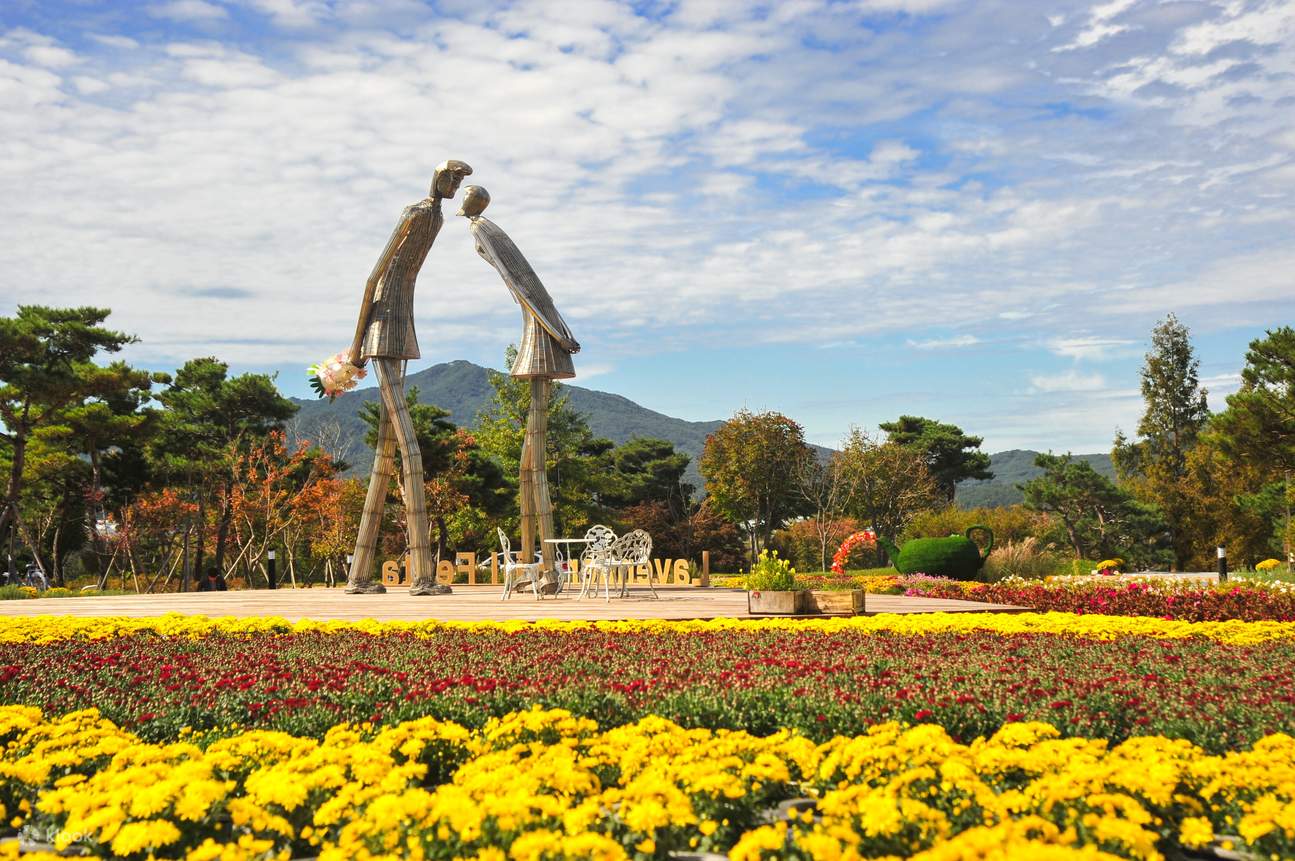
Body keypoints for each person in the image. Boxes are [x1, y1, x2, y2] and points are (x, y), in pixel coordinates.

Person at [345, 160, 473, 597]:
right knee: (410, 452)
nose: (453, 185)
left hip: (402, 324)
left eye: (459, 180)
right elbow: (373, 276)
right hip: (382, 327)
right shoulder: (417, 212)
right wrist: (356, 345)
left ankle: (358, 577)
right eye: (449, 178)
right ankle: (422, 577)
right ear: (435, 178)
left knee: (385, 455)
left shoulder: (437, 218)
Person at [458, 185, 579, 593]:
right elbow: (526, 285)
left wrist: (559, 335)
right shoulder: (488, 230)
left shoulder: (485, 230)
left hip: (542, 337)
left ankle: (549, 572)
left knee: (535, 467)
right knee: (528, 467)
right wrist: (561, 331)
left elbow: (523, 284)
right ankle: (533, 567)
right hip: (543, 331)